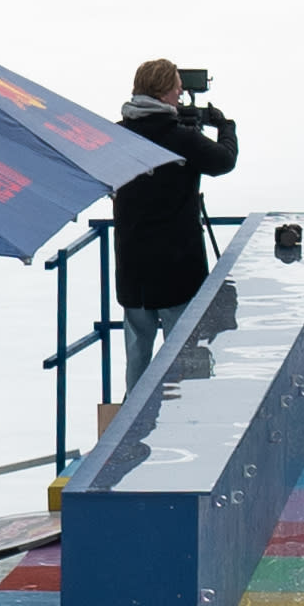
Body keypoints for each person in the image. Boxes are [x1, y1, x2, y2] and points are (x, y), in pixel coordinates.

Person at [108, 59, 241, 383]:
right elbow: (224, 160)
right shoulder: (181, 138)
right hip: (176, 271)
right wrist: (226, 127)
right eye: (177, 89)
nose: (181, 95)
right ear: (165, 93)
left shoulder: (116, 135)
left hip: (133, 271)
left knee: (137, 353)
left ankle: (134, 408)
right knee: (183, 353)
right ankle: (178, 409)